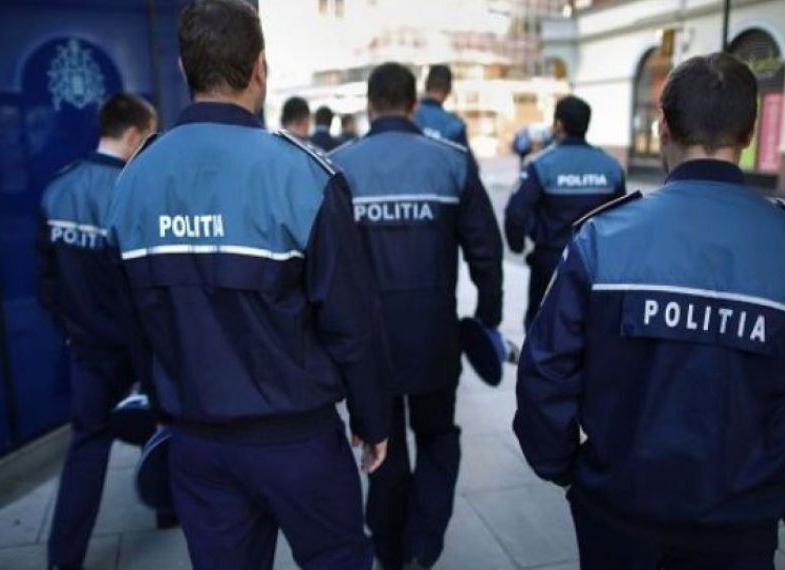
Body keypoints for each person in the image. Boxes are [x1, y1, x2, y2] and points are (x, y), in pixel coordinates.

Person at [513, 53, 785, 570]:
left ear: (664, 127)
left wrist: (564, 466)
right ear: (749, 133)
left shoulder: (601, 239)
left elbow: (545, 373)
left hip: (618, 508)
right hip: (742, 518)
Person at [104, 1, 391, 568]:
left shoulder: (133, 180)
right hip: (300, 443)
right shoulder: (304, 176)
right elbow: (352, 323)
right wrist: (371, 419)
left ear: (184, 68)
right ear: (260, 67)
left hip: (197, 443)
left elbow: (132, 323)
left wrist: (164, 406)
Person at [330, 62, 503, 570]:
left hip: (368, 345)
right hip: (434, 336)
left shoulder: (338, 166)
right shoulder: (450, 161)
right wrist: (487, 318)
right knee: (438, 437)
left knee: (381, 443)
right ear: (413, 104)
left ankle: (388, 549)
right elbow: (486, 250)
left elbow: (324, 264)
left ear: (369, 105)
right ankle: (422, 545)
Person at [38, 93, 159, 570]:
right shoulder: (137, 192)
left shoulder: (57, 189)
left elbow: (46, 281)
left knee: (87, 446)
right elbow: (149, 282)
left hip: (87, 348)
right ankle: (169, 510)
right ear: (132, 135)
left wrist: (69, 330)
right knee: (163, 430)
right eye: (148, 138)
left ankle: (63, 559)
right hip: (138, 348)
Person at [504, 95, 625, 331]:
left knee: (542, 328)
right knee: (590, 328)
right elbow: (622, 217)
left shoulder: (542, 164)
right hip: (596, 265)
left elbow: (516, 213)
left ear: (559, 124)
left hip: (550, 263)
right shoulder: (611, 166)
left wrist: (518, 245)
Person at [412, 64, 469, 150]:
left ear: (426, 86)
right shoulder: (454, 125)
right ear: (449, 89)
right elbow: (463, 156)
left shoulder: (408, 117)